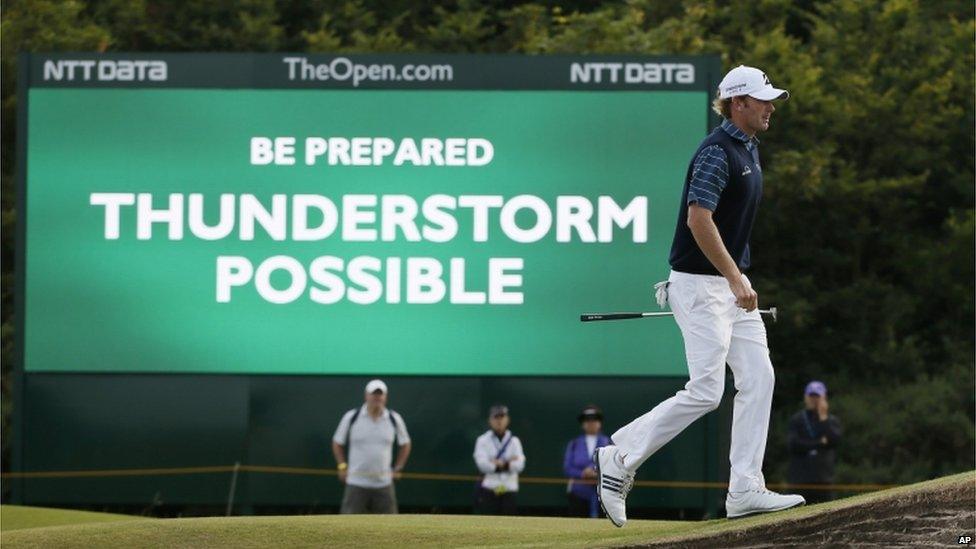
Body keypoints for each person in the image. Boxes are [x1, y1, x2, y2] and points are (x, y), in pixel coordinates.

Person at [595, 65, 805, 527]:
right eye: (761, 99)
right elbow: (698, 220)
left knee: (760, 377)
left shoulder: (748, 147)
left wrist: (736, 279)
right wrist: (734, 277)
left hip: (731, 288)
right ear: (737, 103)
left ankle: (745, 489)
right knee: (707, 391)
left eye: (770, 98)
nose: (770, 106)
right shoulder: (717, 152)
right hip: (702, 287)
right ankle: (619, 457)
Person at [331, 379, 412, 514]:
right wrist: (342, 466)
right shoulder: (351, 417)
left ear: (385, 397)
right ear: (366, 396)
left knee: (390, 530)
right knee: (348, 528)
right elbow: (337, 442)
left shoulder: (394, 418)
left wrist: (398, 468)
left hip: (384, 484)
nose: (377, 397)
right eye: (374, 394)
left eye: (380, 394)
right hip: (356, 484)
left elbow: (406, 444)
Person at [788, 380, 842, 504]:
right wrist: (819, 443)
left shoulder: (831, 420)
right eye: (811, 396)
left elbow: (834, 440)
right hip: (800, 480)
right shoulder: (797, 420)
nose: (814, 400)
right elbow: (794, 444)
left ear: (824, 398)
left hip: (824, 479)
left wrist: (823, 418)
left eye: (817, 396)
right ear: (805, 397)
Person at [473, 405, 525, 515]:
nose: (499, 421)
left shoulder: (514, 441)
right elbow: (482, 464)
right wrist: (508, 463)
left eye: (502, 417)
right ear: (490, 420)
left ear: (507, 419)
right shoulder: (482, 440)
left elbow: (520, 465)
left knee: (509, 527)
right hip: (489, 489)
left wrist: (498, 463)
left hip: (509, 489)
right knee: (487, 527)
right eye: (496, 417)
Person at [564, 405, 611, 517]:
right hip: (578, 493)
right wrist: (583, 473)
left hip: (603, 494)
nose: (591, 423)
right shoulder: (574, 444)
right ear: (583, 424)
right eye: (587, 420)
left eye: (594, 419)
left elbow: (611, 466)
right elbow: (567, 468)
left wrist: (595, 471)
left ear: (599, 423)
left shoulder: (607, 443)